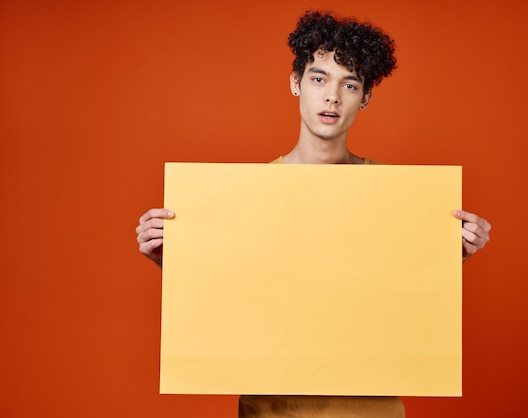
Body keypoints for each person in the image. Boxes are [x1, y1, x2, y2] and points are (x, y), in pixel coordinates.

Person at [136, 10, 491, 418]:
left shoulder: (399, 198)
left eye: (350, 84)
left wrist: (450, 255)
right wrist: (176, 262)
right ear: (295, 84)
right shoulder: (243, 197)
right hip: (271, 410)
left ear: (366, 97)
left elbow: (400, 294)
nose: (332, 97)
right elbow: (238, 291)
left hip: (372, 411)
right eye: (319, 79)